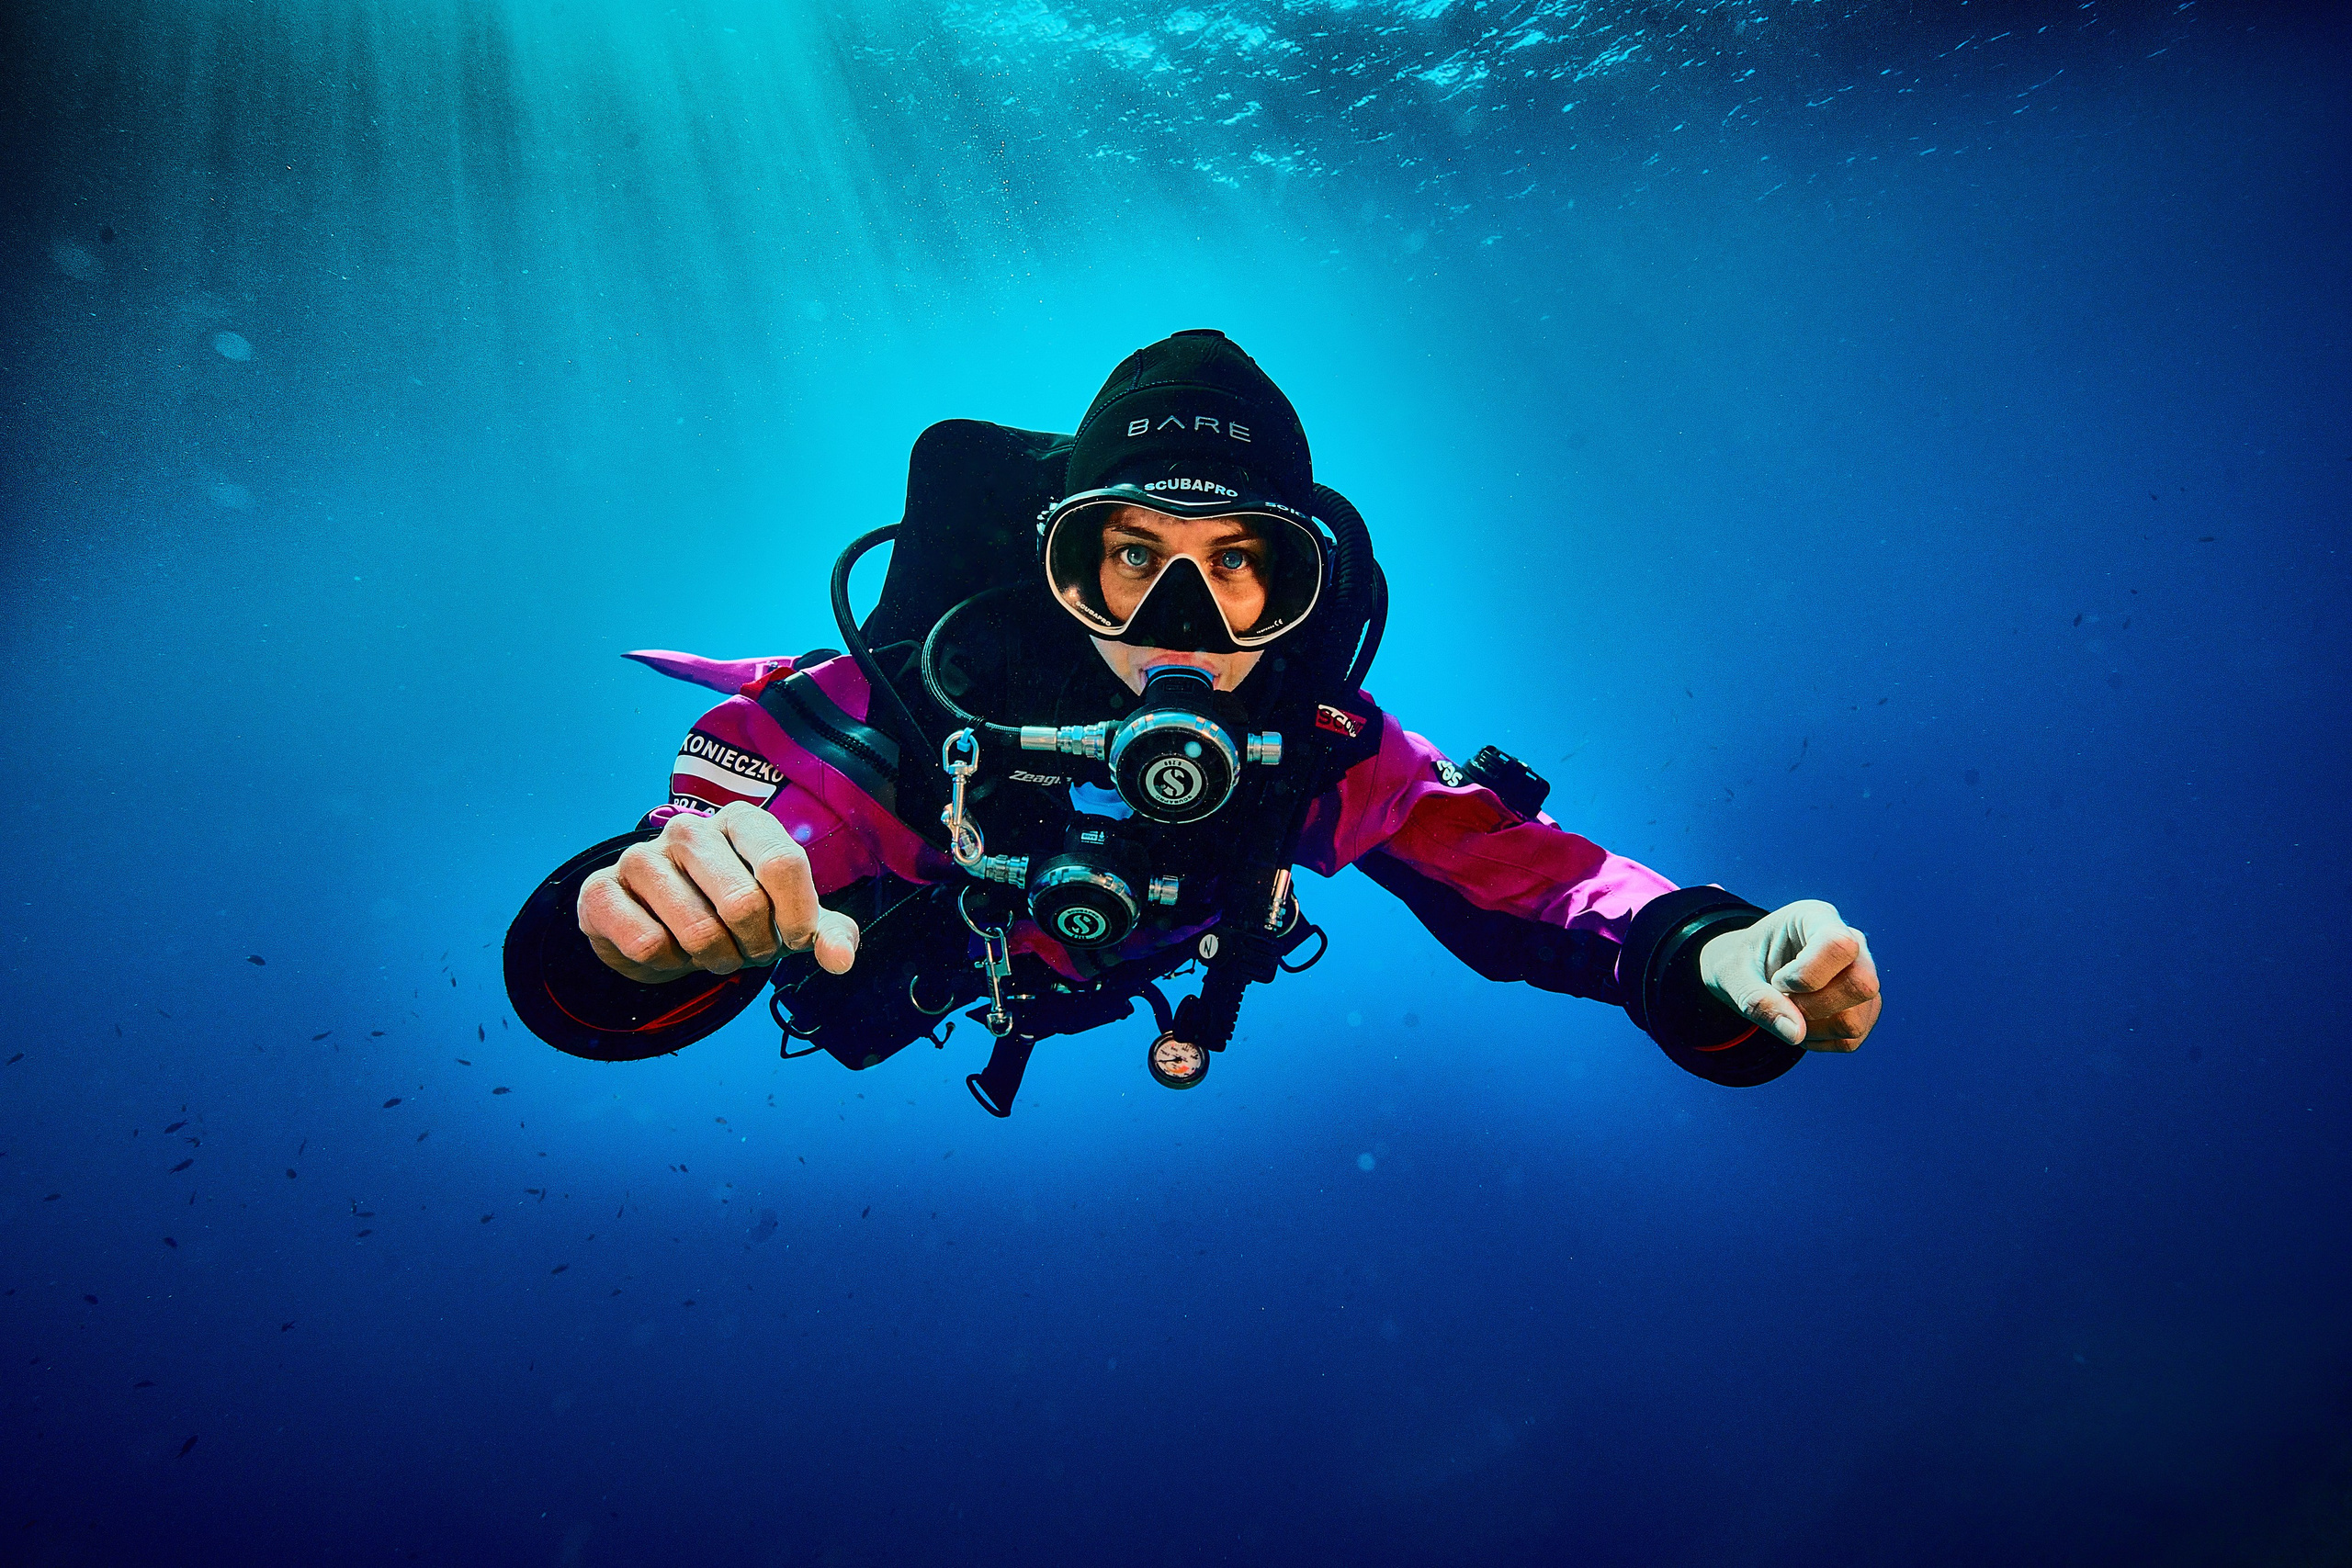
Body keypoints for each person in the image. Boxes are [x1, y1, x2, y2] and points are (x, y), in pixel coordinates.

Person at [503, 330, 1881, 1116]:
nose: (1181, 614)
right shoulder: (911, 711)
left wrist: (1716, 952)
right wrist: (630, 921)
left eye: (1237, 564)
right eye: (1130, 553)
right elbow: (717, 841)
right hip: (910, 957)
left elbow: (1552, 890)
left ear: (1298, 587)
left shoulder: (1328, 754)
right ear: (1059, 565)